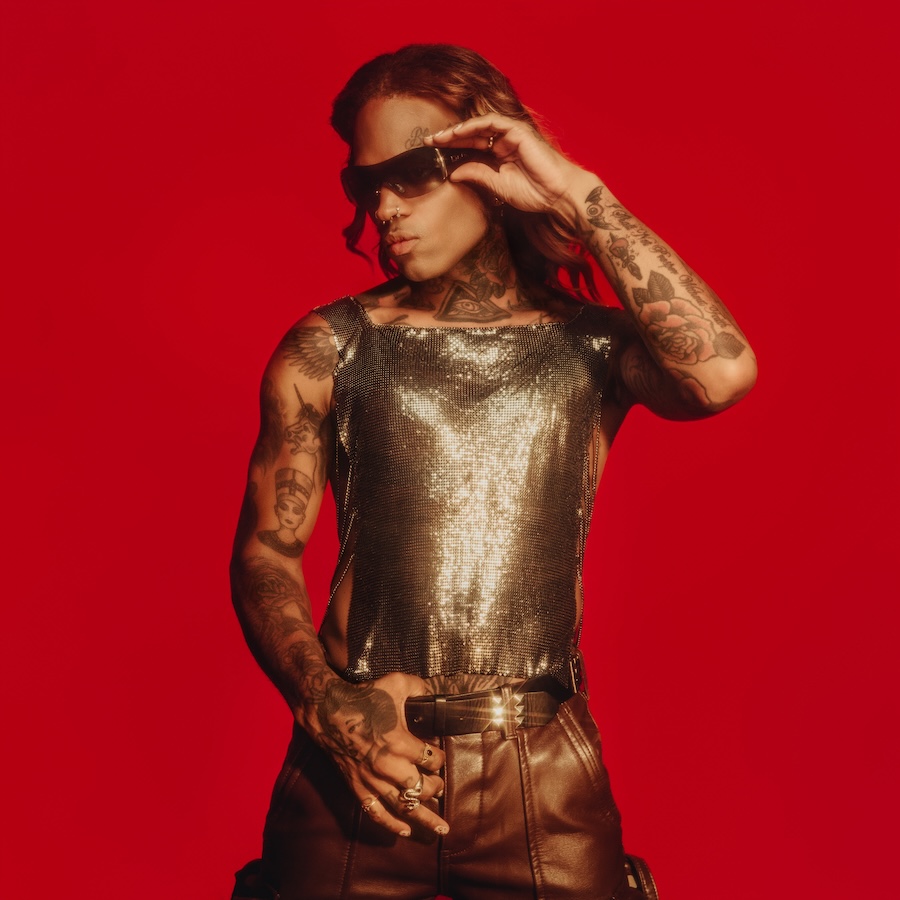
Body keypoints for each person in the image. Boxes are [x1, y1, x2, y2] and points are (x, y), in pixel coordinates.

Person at [230, 43, 756, 900]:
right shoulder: (329, 347)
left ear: (490, 162)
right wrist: (325, 703)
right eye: (368, 185)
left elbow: (722, 374)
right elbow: (267, 551)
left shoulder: (590, 345)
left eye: (412, 176)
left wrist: (573, 192)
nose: (386, 209)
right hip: (363, 764)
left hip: (541, 772)